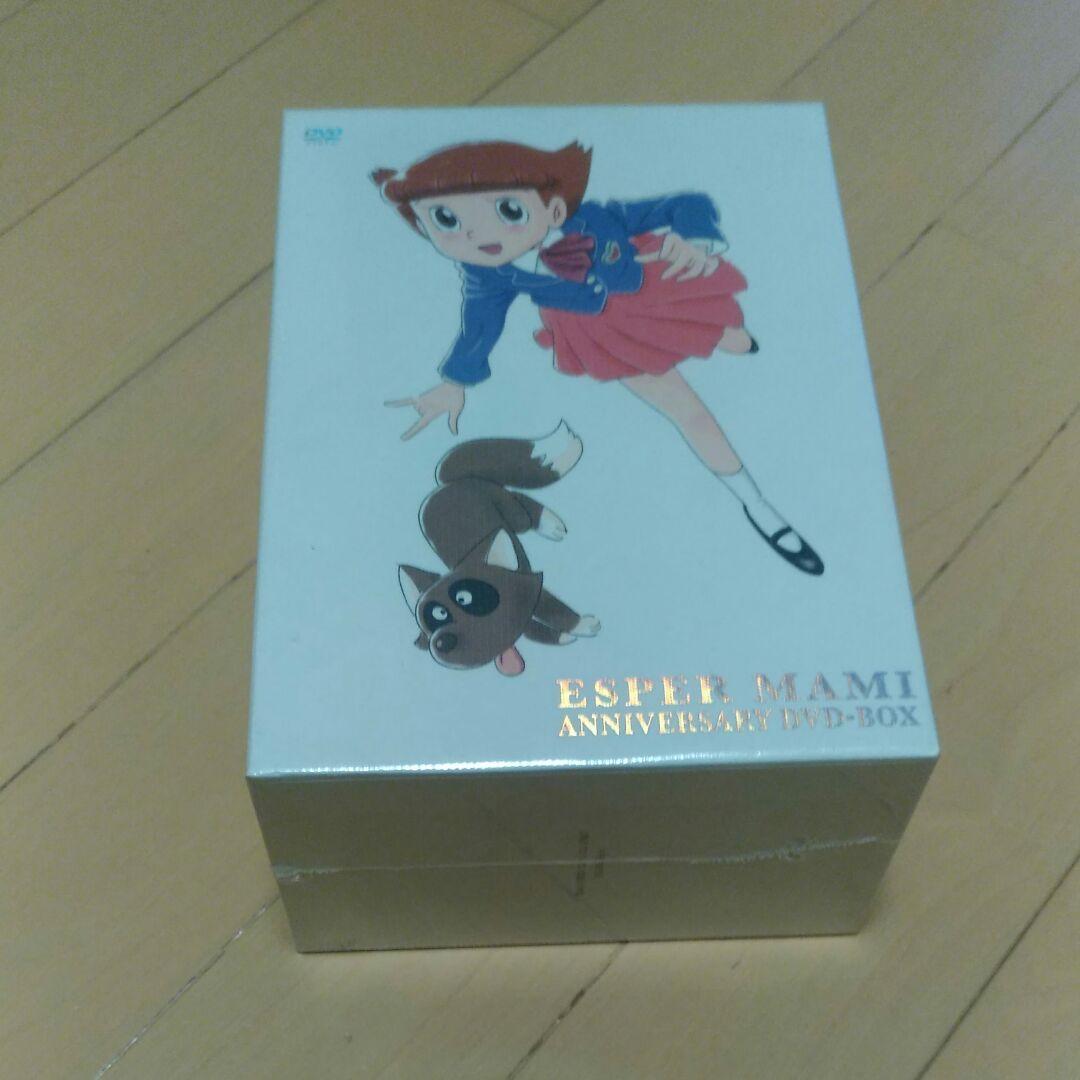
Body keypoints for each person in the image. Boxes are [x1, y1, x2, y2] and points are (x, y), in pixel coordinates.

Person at [375, 140, 823, 575]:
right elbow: (480, 322)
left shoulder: (594, 218)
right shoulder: (486, 271)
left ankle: (731, 337)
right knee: (689, 414)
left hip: (658, 288)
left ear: (554, 210)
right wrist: (455, 382)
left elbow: (687, 203)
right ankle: (757, 506)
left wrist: (695, 241)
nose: (477, 233)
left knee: (734, 340)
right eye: (446, 219)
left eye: (508, 210)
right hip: (602, 333)